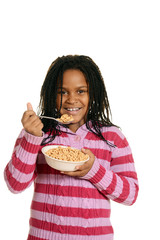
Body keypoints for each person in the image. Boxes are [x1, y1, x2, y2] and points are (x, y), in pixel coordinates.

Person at [4, 55, 139, 240]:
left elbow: (130, 195)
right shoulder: (38, 132)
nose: (71, 100)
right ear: (51, 94)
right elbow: (15, 184)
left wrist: (94, 171)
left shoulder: (111, 137)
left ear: (93, 94)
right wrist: (31, 138)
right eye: (62, 92)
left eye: (81, 91)